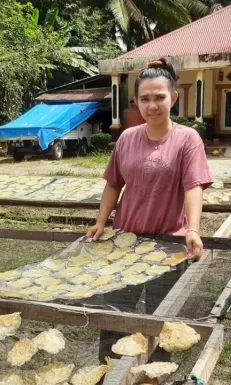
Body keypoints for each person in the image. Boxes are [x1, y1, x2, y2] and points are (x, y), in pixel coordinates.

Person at [86, 58, 212, 259]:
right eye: (145, 99)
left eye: (159, 97)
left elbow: (193, 187)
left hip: (169, 243)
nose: (152, 105)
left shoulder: (188, 139)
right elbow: (113, 184)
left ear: (174, 98)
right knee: (121, 291)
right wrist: (101, 221)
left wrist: (193, 229)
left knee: (163, 292)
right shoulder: (126, 138)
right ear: (136, 102)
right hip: (124, 240)